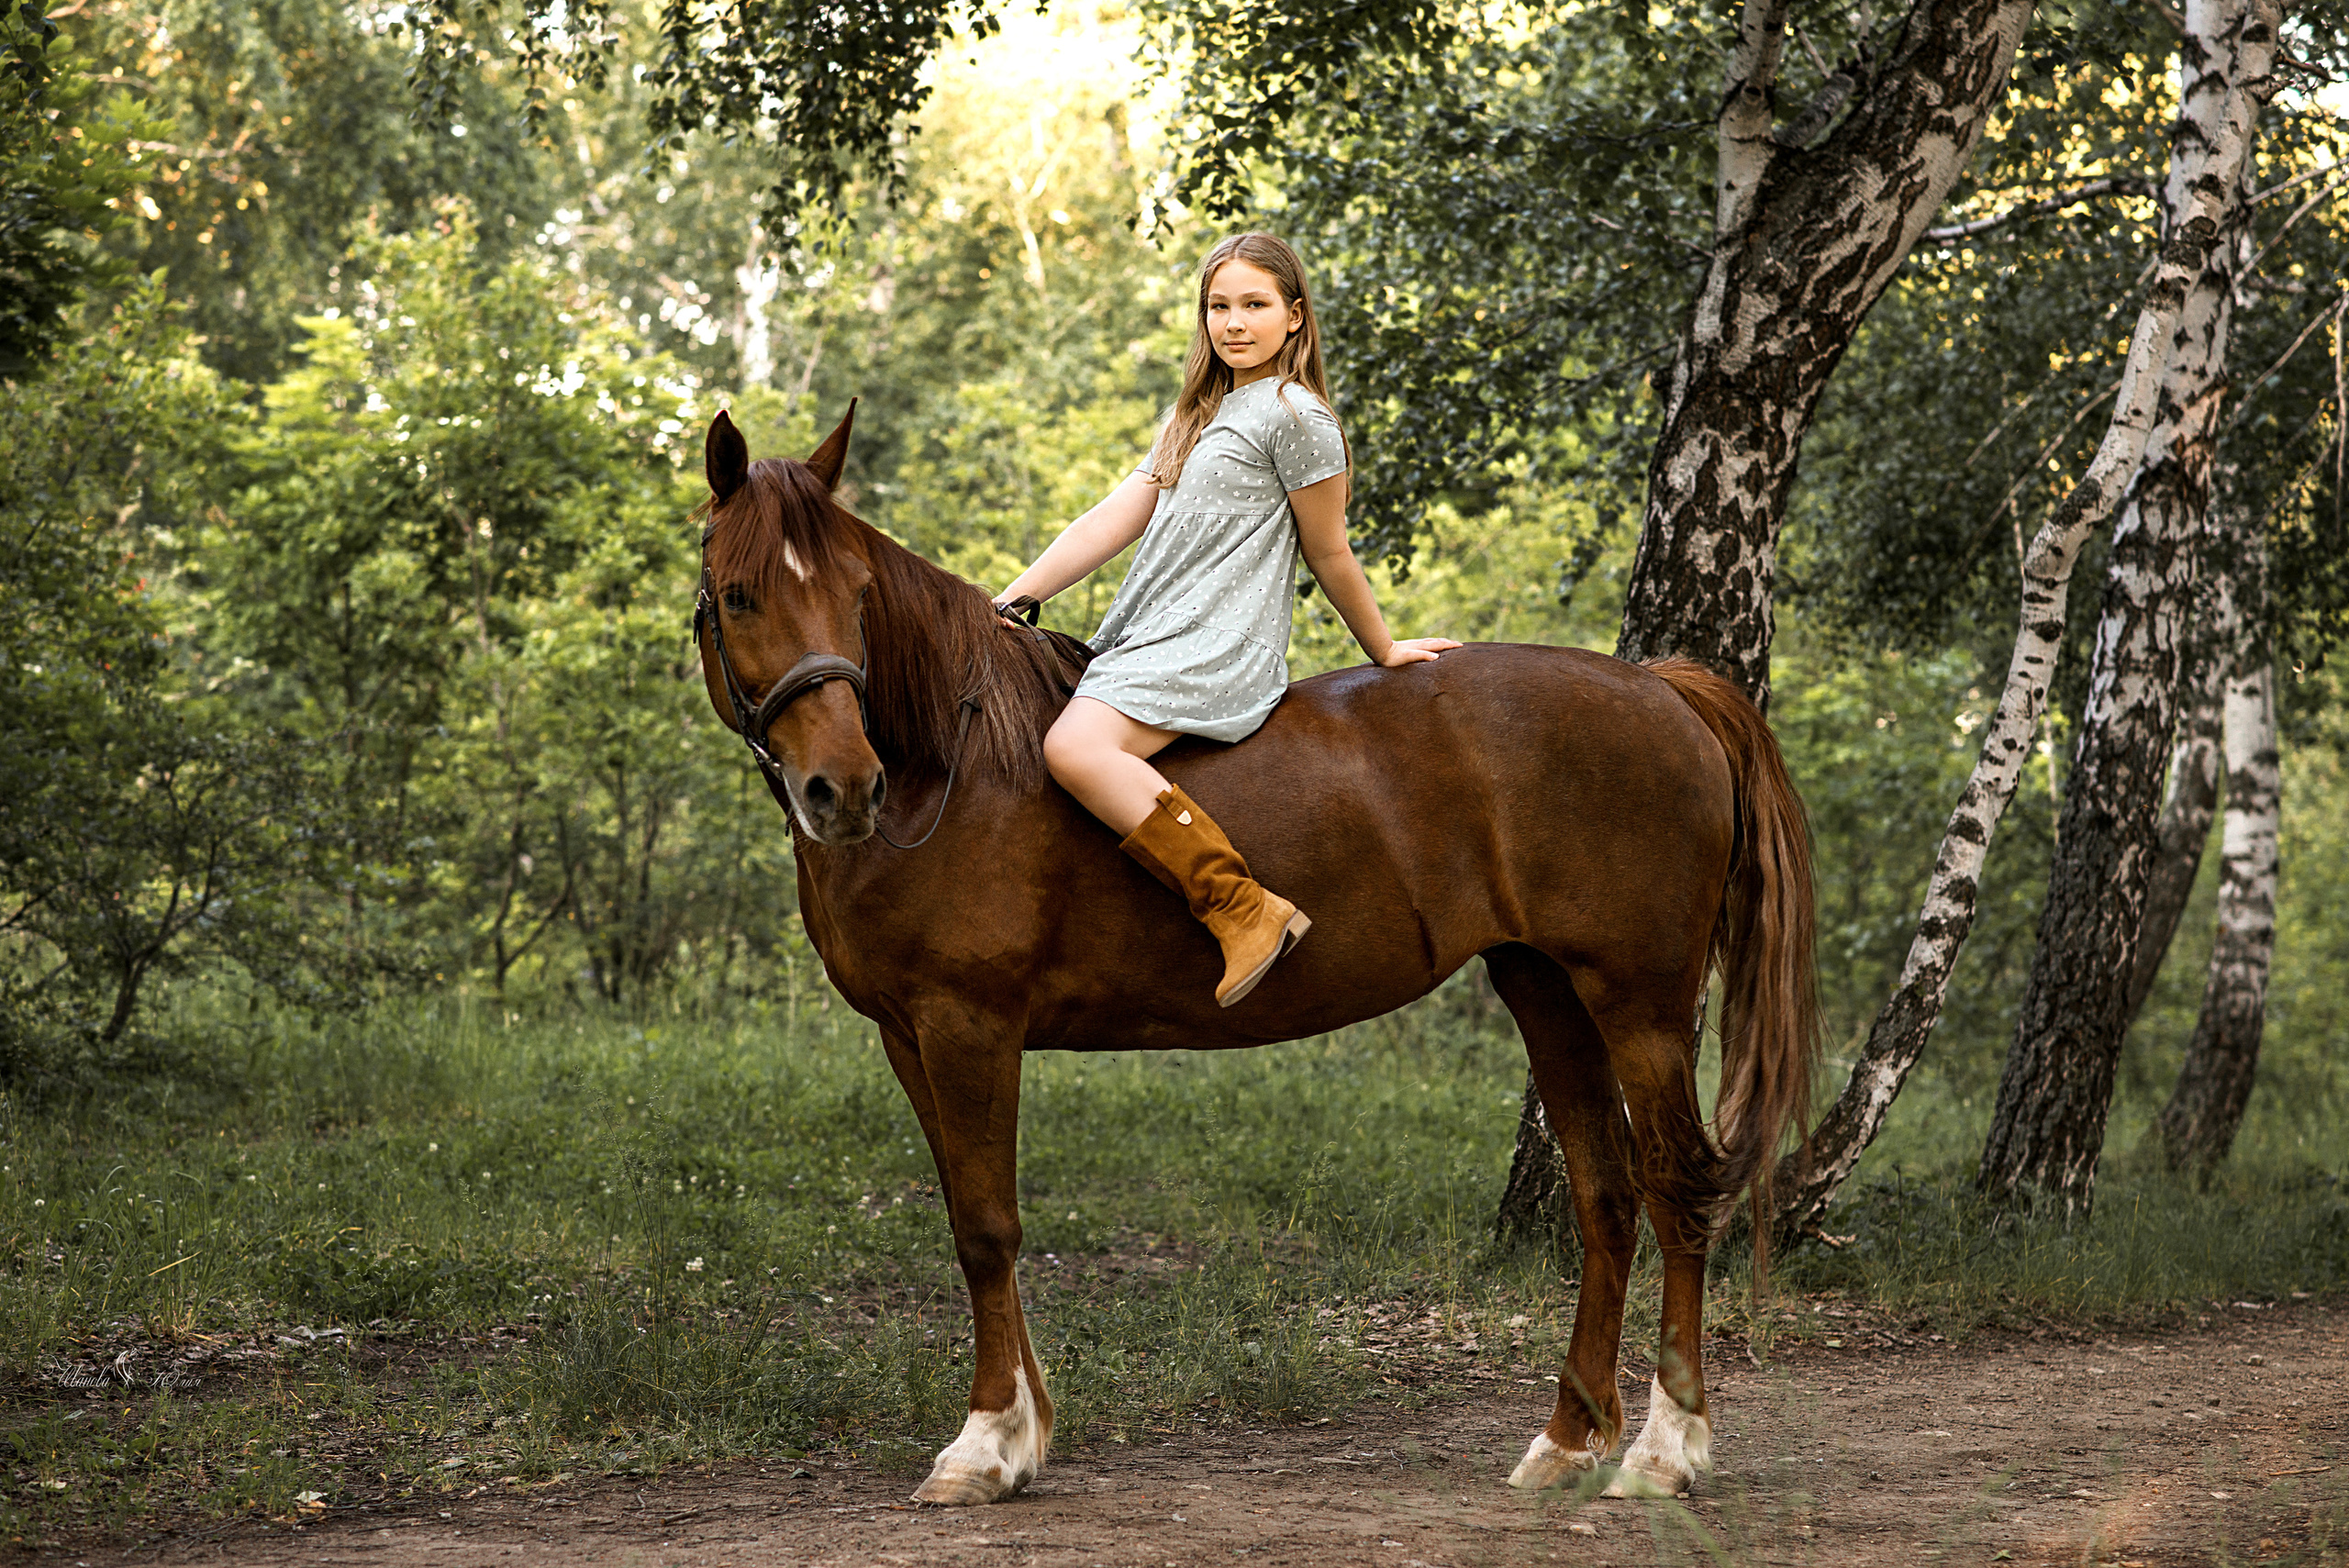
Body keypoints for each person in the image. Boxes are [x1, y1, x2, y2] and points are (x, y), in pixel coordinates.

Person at [995, 232, 1459, 1007]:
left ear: (1295, 317)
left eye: (1255, 304)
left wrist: (1383, 646)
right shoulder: (1197, 413)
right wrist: (1011, 599)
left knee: (1073, 746)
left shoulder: (1296, 415)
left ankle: (1240, 905)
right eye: (1219, 305)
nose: (1234, 322)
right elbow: (1112, 518)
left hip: (1220, 641)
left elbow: (1330, 550)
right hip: (1152, 636)